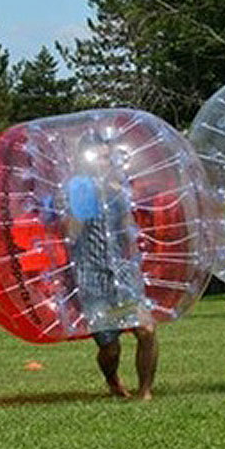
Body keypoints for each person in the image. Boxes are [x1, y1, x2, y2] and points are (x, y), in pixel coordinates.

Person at [62, 130, 159, 399]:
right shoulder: (79, 187)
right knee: (110, 345)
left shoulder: (119, 187)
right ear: (88, 161)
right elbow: (71, 234)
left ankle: (146, 391)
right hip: (91, 275)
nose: (107, 163)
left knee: (146, 329)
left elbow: (129, 232)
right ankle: (113, 380)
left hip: (123, 272)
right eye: (101, 158)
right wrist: (89, 199)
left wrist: (119, 198)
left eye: (109, 158)